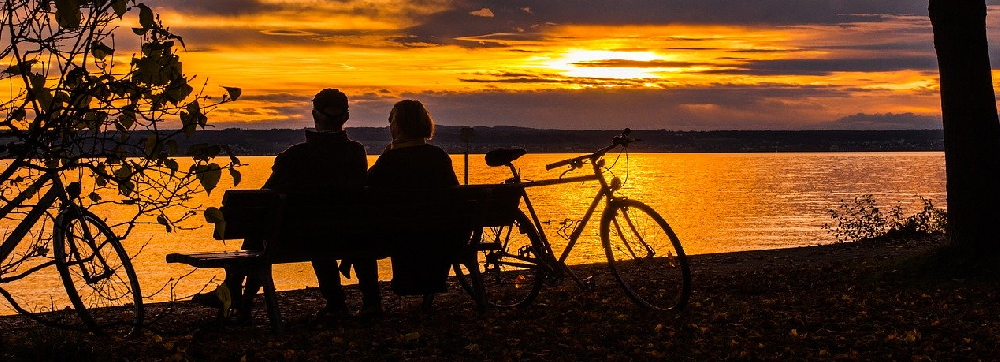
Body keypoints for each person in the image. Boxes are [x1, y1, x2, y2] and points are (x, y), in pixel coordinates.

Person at [194, 89, 380, 320]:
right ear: (346, 117)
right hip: (349, 235)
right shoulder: (356, 153)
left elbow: (264, 198)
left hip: (299, 239)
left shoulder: (296, 156)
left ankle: (238, 294)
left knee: (262, 223)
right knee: (293, 227)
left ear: (315, 115)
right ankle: (356, 303)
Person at [367, 100, 463, 305]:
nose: (389, 125)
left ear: (398, 126)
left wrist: (386, 154)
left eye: (391, 120)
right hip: (443, 235)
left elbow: (367, 187)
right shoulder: (439, 157)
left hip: (401, 237)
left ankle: (372, 303)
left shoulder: (390, 160)